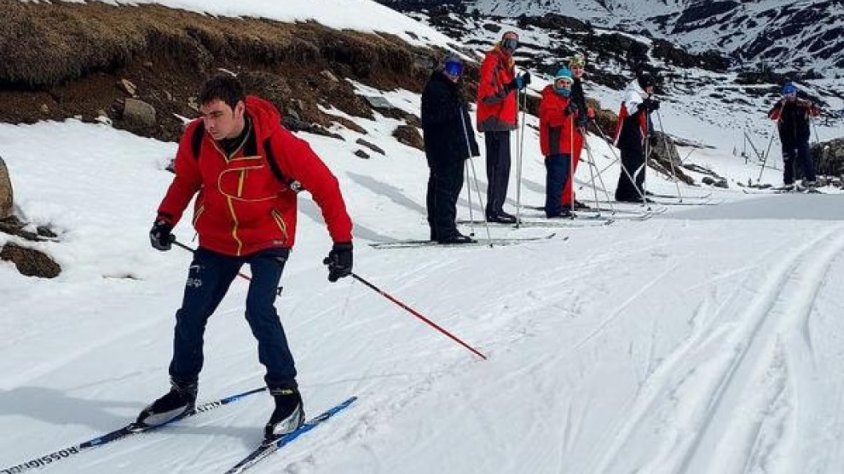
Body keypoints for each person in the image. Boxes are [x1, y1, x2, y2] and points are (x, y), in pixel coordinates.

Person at [139, 74, 354, 441]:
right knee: (190, 313)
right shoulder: (195, 138)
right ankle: (182, 391)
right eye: (204, 115)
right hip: (216, 239)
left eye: (217, 115)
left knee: (259, 309)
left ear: (239, 109)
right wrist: (165, 219)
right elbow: (186, 181)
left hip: (267, 237)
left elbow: (325, 186)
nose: (209, 124)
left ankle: (288, 397)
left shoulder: (278, 143)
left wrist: (343, 244)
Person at [421, 56, 480, 244]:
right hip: (444, 146)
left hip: (452, 145)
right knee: (447, 187)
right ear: (443, 68)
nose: (454, 74)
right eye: (451, 69)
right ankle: (446, 230)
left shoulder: (450, 88)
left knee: (443, 186)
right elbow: (433, 117)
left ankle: (440, 229)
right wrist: (454, 108)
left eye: (458, 70)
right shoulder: (436, 88)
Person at [476, 31, 531, 224]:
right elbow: (487, 94)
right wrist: (510, 87)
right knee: (498, 166)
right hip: (495, 120)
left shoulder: (507, 64)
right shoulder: (493, 60)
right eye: (508, 42)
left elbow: (505, 89)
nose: (511, 47)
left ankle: (496, 207)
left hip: (503, 121)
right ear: (501, 42)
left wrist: (518, 84)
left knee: (502, 166)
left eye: (515, 44)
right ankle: (494, 209)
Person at [540, 67, 580, 218]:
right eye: (561, 82)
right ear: (556, 83)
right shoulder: (550, 98)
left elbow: (571, 120)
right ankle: (553, 208)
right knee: (556, 178)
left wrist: (583, 116)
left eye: (567, 83)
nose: (564, 86)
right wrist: (565, 112)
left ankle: (558, 205)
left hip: (566, 144)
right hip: (555, 145)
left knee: (563, 177)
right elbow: (550, 119)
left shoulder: (567, 99)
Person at [614, 71, 659, 202]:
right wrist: (645, 106)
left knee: (634, 162)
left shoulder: (641, 95)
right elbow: (630, 110)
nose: (652, 89)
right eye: (650, 86)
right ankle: (631, 192)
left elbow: (644, 116)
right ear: (644, 85)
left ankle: (627, 190)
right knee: (634, 162)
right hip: (630, 134)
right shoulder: (633, 94)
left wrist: (651, 134)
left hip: (636, 134)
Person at [768, 82, 819, 188]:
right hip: (787, 138)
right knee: (788, 161)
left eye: (791, 93)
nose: (789, 96)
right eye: (787, 94)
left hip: (802, 137)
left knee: (805, 158)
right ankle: (788, 183)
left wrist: (811, 105)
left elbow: (815, 114)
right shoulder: (782, 106)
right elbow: (772, 116)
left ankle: (811, 181)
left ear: (795, 93)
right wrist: (778, 106)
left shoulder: (802, 104)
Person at [562, 53, 594, 211]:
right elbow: (567, 105)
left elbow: (578, 105)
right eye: (575, 67)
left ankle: (568, 197)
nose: (578, 70)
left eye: (581, 67)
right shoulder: (568, 83)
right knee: (568, 165)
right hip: (571, 128)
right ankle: (565, 199)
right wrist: (578, 116)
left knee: (571, 166)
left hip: (578, 127)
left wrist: (586, 114)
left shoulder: (577, 83)